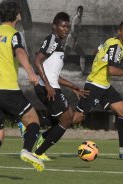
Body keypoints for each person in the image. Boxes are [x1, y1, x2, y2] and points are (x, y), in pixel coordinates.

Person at [0, 0, 44, 180]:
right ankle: (27, 151)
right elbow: (20, 52)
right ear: (17, 15)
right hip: (6, 89)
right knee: (33, 121)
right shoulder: (14, 34)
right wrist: (31, 72)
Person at [73, 21, 123, 159]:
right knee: (77, 117)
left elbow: (96, 51)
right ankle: (46, 131)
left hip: (104, 86)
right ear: (119, 31)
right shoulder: (117, 46)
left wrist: (99, 61)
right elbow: (111, 70)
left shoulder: (110, 41)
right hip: (95, 86)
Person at [31, 12, 88, 160]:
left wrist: (73, 86)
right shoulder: (52, 40)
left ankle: (36, 130)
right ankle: (38, 152)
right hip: (47, 88)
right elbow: (37, 61)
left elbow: (54, 74)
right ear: (54, 26)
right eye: (63, 26)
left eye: (68, 27)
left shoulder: (58, 44)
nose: (66, 29)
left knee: (68, 118)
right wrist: (49, 86)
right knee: (67, 119)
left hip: (51, 86)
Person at [64, 6, 86, 75]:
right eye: (79, 11)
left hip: (74, 39)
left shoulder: (79, 19)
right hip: (71, 39)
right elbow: (74, 31)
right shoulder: (76, 18)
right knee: (64, 55)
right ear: (77, 12)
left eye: (81, 11)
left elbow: (77, 30)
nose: (80, 12)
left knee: (82, 54)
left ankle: (83, 71)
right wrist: (74, 41)